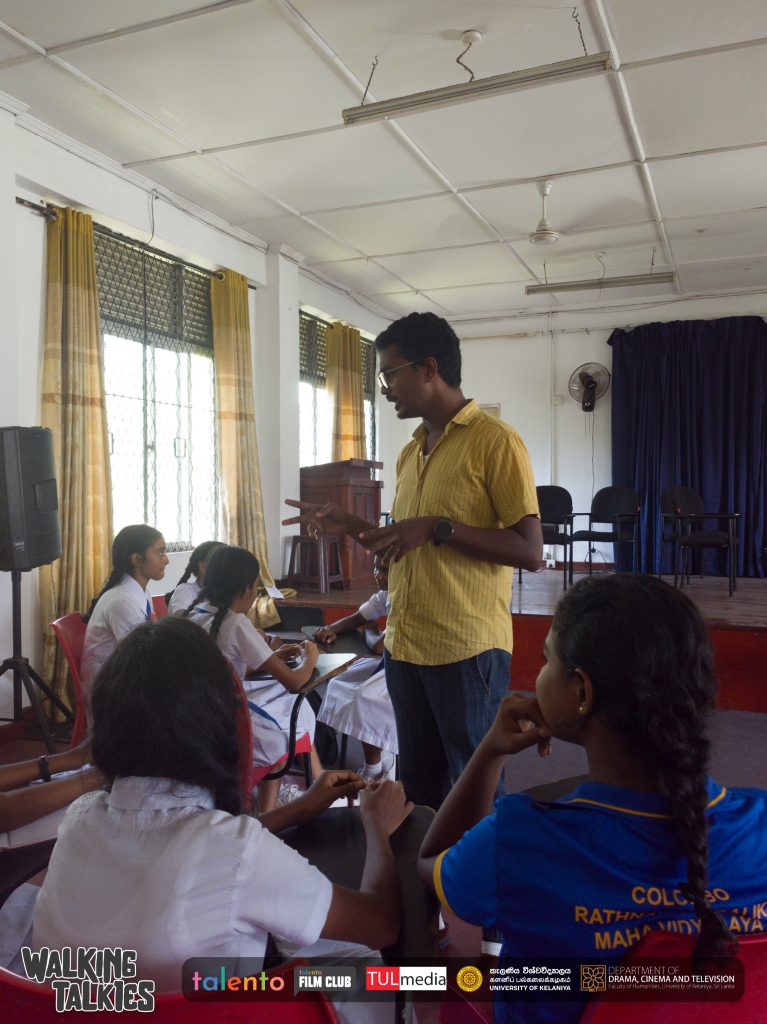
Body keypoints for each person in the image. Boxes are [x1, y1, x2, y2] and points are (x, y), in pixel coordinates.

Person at [417, 574, 767, 1024]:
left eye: (547, 659)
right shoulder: (760, 824)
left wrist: (489, 753)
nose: (540, 673)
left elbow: (430, 863)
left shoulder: (522, 839)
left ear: (580, 693)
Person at [33, 616, 412, 1000]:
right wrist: (376, 824)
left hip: (84, 1010)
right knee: (395, 975)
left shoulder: (79, 821)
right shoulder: (236, 851)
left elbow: (197, 848)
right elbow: (380, 925)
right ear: (216, 723)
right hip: (225, 1004)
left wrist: (296, 810)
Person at [284, 311, 542, 817]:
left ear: (429, 367)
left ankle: (480, 871)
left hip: (466, 648)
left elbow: (530, 551)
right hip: (406, 646)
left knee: (475, 788)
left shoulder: (495, 441)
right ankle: (424, 869)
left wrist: (438, 526)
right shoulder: (410, 453)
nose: (384, 389)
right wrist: (347, 523)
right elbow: (401, 543)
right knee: (419, 788)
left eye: (389, 373)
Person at [183, 545, 321, 812]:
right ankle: (267, 812)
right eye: (256, 587)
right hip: (230, 719)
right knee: (289, 714)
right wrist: (310, 658)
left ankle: (308, 782)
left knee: (283, 704)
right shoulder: (236, 623)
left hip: (201, 713)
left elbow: (229, 668)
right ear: (247, 590)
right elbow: (294, 682)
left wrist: (271, 657)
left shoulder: (193, 616)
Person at [316, 558, 396, 780]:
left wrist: (370, 631)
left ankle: (375, 766)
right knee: (338, 682)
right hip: (386, 660)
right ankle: (380, 759)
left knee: (364, 697)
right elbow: (359, 617)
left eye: (385, 570)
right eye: (376, 567)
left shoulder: (407, 598)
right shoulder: (385, 594)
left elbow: (378, 646)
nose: (378, 575)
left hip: (403, 665)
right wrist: (330, 628)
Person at [80, 525, 169, 721]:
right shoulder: (121, 601)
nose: (166, 559)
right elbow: (138, 657)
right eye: (160, 552)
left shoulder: (140, 592)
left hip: (124, 675)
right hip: (111, 686)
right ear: (137, 559)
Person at [165, 540, 226, 615]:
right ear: (203, 566)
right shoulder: (185, 590)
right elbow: (180, 616)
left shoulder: (223, 592)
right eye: (222, 564)